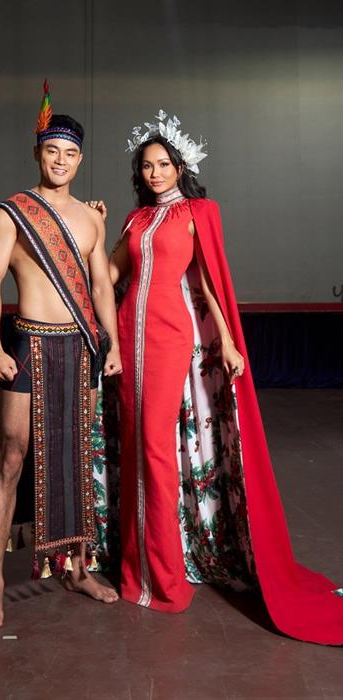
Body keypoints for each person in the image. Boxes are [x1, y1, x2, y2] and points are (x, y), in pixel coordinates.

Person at [93, 110, 343, 645]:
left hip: (169, 337)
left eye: (163, 164)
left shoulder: (199, 212)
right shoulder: (135, 220)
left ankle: (163, 578)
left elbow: (209, 281)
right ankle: (136, 570)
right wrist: (93, 231)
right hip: (128, 334)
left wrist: (227, 341)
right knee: (133, 449)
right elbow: (110, 273)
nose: (155, 173)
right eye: (147, 166)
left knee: (156, 450)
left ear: (180, 166)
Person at [0, 82, 121, 630]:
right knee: (13, 457)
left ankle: (77, 568)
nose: (61, 160)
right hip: (28, 343)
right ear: (38, 152)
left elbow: (101, 287)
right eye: (52, 150)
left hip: (80, 346)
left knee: (77, 459)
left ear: (80, 159)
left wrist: (111, 344)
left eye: (71, 153)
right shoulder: (11, 213)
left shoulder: (91, 218)